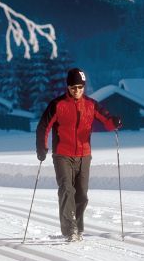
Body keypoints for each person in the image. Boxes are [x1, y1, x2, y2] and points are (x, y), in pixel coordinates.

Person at [36, 68, 122, 242]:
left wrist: (113, 122)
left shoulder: (90, 105)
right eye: (74, 87)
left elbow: (106, 120)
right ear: (68, 87)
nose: (77, 90)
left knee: (81, 194)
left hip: (84, 155)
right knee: (67, 189)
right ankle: (70, 230)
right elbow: (43, 127)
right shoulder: (57, 105)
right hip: (62, 154)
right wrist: (42, 147)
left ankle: (79, 227)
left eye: (80, 87)